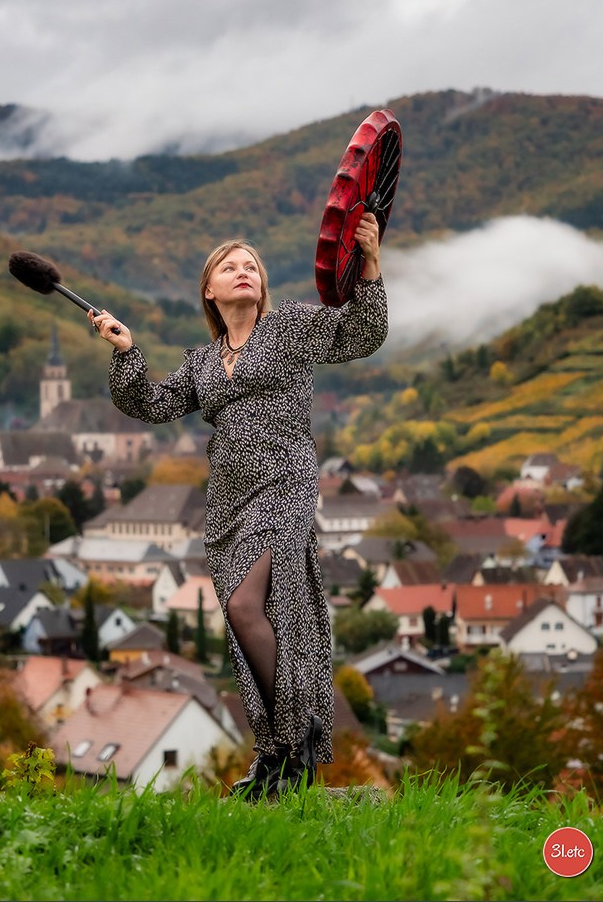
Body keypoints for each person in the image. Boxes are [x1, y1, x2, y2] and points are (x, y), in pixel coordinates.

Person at [90, 213, 388, 799]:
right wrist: (127, 352)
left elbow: (363, 334)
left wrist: (371, 261)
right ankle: (275, 755)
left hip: (286, 486)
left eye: (251, 265)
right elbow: (149, 403)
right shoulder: (202, 363)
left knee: (249, 607)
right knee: (243, 617)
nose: (244, 271)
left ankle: (292, 746)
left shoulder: (292, 326)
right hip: (227, 506)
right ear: (210, 290)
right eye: (231, 267)